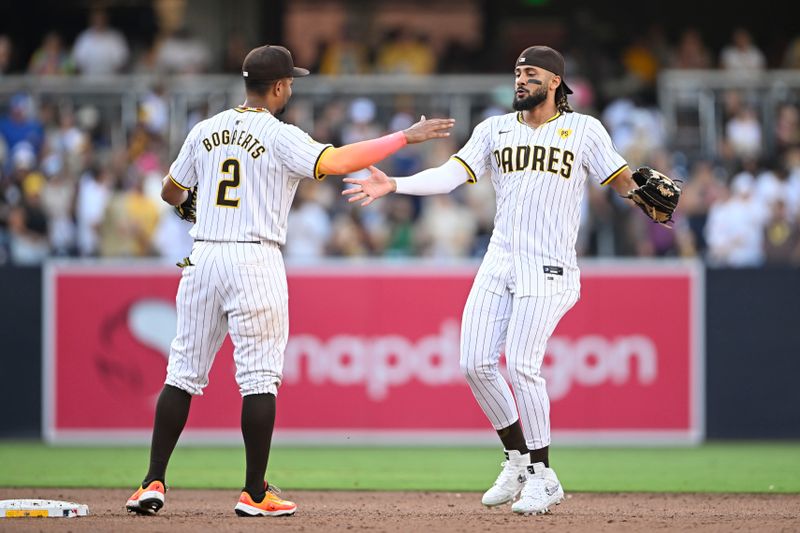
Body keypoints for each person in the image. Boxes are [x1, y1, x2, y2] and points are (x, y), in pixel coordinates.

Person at [125, 44, 453, 518]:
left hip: (202, 257)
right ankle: (255, 493)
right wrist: (404, 136)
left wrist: (188, 206)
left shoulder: (205, 129)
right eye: (291, 82)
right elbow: (338, 162)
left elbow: (171, 190)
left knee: (182, 374)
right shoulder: (279, 135)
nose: (292, 87)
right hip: (254, 258)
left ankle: (151, 481)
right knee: (259, 379)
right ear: (278, 86)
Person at [343, 45, 662, 515]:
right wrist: (394, 184)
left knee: (523, 365)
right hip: (499, 260)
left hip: (550, 266)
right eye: (516, 72)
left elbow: (617, 179)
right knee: (474, 362)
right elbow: (451, 176)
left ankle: (543, 475)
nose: (520, 80)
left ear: (555, 81)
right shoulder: (494, 128)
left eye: (530, 73)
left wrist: (641, 195)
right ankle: (516, 458)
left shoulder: (585, 129)